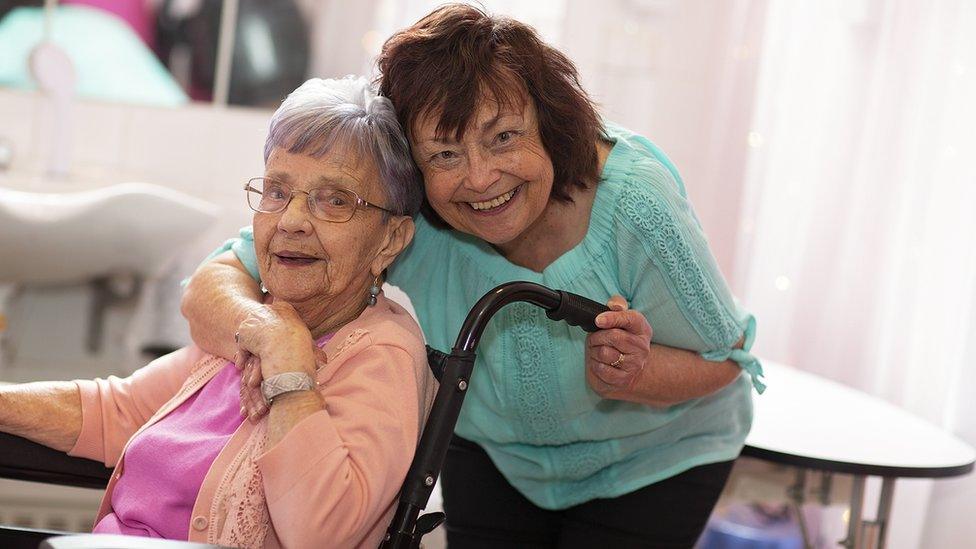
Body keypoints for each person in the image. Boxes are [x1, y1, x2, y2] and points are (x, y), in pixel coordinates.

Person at [182, 5, 765, 548]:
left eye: (504, 137)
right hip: (493, 451)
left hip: (654, 464)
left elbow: (728, 359)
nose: (481, 178)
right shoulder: (408, 215)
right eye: (444, 155)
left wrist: (639, 372)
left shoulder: (637, 206)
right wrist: (272, 336)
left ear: (550, 121)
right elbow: (214, 285)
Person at [0, 76, 435, 549]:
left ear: (390, 240)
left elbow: (320, 531)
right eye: (276, 191)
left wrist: (290, 371)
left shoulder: (381, 355)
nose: (291, 221)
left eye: (334, 201)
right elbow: (117, 410)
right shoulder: (257, 321)